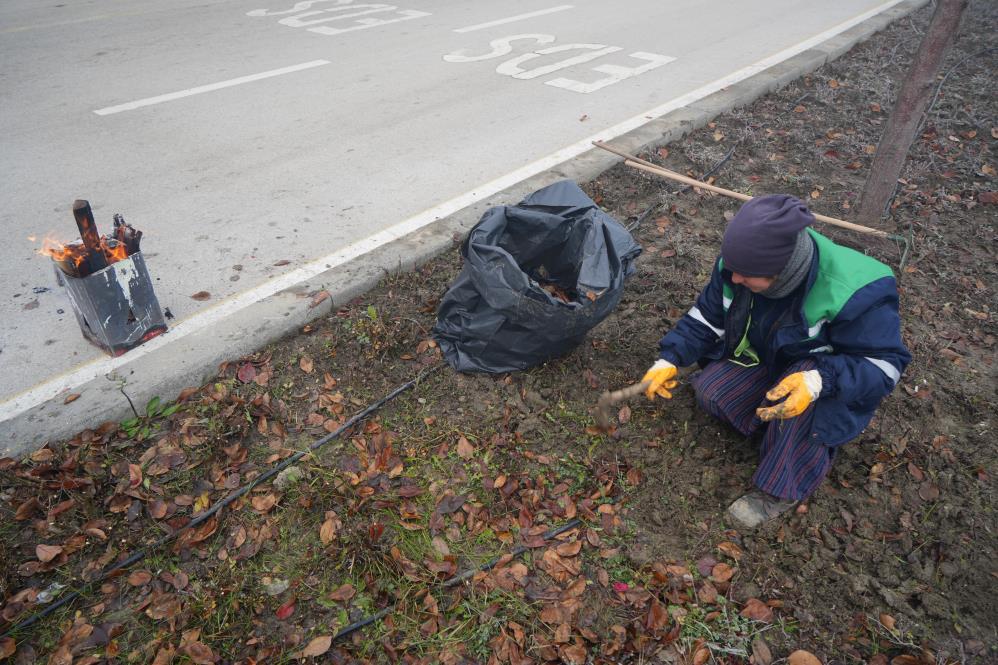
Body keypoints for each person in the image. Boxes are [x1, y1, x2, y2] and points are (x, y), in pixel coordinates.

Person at [642, 194, 910, 529]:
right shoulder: (737, 267)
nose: (735, 279)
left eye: (746, 275)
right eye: (733, 269)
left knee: (798, 393)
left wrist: (818, 382)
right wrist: (669, 358)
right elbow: (707, 318)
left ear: (784, 273)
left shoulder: (857, 291)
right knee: (710, 392)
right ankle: (776, 432)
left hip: (825, 387)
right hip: (771, 361)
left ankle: (782, 488)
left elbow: (885, 367)